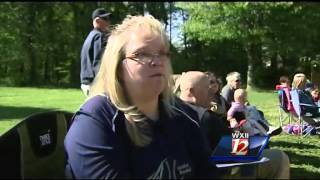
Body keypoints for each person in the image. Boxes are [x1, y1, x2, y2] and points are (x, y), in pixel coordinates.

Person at [65, 15, 219, 179]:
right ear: (117, 67)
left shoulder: (185, 116)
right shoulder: (95, 122)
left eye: (162, 53)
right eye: (142, 54)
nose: (157, 61)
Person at [177, 71, 290, 179]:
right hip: (221, 171)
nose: (211, 92)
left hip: (189, 171)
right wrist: (256, 138)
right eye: (206, 88)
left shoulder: (171, 112)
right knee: (280, 157)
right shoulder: (205, 117)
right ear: (191, 91)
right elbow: (239, 148)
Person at [80, 8, 112, 96]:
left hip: (86, 83)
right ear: (97, 20)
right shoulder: (99, 36)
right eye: (105, 19)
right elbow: (98, 61)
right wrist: (103, 83)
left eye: (109, 19)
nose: (109, 22)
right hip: (95, 84)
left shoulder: (90, 36)